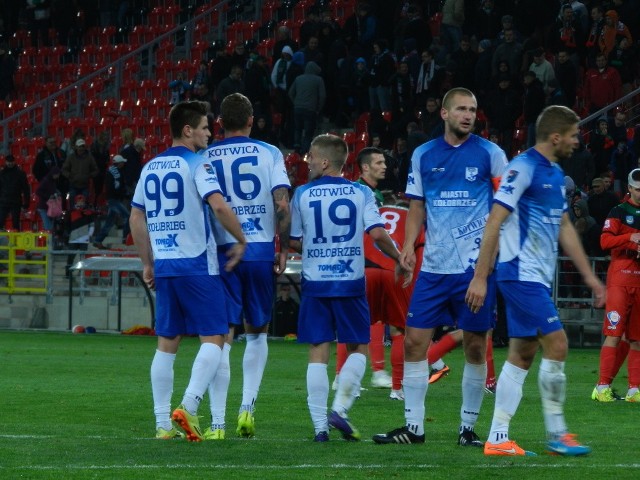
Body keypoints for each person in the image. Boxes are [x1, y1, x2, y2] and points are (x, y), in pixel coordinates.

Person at [465, 105, 606, 456]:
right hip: (518, 272)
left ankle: (497, 438)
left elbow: (563, 227)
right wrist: (481, 278)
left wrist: (590, 277)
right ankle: (558, 433)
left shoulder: (556, 174)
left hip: (537, 277)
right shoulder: (521, 167)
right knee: (557, 344)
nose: (577, 141)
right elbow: (494, 221)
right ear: (556, 137)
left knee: (522, 355)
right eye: (573, 135)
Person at [373, 87, 508, 447]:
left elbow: (502, 213)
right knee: (415, 341)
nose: (468, 115)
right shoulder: (423, 154)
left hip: (472, 268)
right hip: (433, 268)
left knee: (476, 348)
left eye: (473, 109)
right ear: (445, 113)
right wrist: (407, 249)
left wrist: (482, 273)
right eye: (462, 109)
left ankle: (468, 429)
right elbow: (416, 205)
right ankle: (413, 428)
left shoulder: (491, 154)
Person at [129, 100, 247, 442]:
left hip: (165, 265)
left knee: (167, 342)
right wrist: (241, 240)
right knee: (215, 336)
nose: (210, 133)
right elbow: (219, 205)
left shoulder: (150, 167)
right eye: (206, 128)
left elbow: (136, 216)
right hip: (198, 264)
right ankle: (190, 405)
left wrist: (147, 262)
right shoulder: (198, 163)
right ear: (187, 130)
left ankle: (163, 424)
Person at [290, 133, 409, 442]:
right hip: (350, 281)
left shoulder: (301, 193)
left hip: (316, 283)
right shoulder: (360, 193)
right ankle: (339, 410)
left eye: (312, 157)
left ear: (325, 160)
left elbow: (293, 239)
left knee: (318, 351)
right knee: (358, 347)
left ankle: (319, 429)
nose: (309, 162)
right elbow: (378, 234)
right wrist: (398, 257)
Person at [201, 92, 291, 440]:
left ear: (219, 123)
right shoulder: (270, 153)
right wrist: (282, 247)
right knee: (257, 333)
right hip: (259, 251)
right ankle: (247, 409)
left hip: (222, 253)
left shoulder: (205, 156)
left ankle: (218, 423)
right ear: (252, 120)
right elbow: (281, 203)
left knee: (222, 336)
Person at [334, 148, 393, 391]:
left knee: (363, 318)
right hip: (362, 262)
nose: (385, 166)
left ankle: (346, 374)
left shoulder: (371, 193)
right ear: (365, 167)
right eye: (379, 162)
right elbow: (374, 233)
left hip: (362, 262)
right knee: (368, 317)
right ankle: (370, 372)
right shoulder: (362, 192)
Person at [592, 168, 640, 403]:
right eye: (638, 189)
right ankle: (602, 387)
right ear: (629, 189)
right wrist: (630, 239)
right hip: (620, 280)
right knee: (614, 333)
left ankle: (634, 390)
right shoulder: (618, 212)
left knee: (637, 338)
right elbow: (604, 241)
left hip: (639, 282)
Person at [92, 155, 130, 249]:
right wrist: (124, 193)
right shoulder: (117, 173)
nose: (123, 164)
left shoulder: (110, 171)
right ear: (119, 163)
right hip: (114, 199)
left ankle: (98, 240)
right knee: (128, 217)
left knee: (110, 222)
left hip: (111, 199)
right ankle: (125, 238)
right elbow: (116, 187)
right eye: (122, 162)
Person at [288, 61, 326, 155]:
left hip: (297, 108)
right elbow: (323, 96)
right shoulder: (319, 80)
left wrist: (296, 102)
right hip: (310, 109)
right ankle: (304, 151)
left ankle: (297, 147)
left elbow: (290, 93)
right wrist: (318, 108)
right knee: (308, 132)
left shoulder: (298, 78)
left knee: (298, 129)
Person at [61, 139, 98, 209]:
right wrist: (69, 176)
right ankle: (72, 217)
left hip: (85, 185)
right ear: (76, 147)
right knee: (72, 203)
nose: (81, 148)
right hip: (73, 185)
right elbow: (64, 169)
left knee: (84, 204)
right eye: (80, 146)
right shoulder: (71, 157)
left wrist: (89, 176)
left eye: (83, 146)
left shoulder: (90, 157)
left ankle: (84, 218)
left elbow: (96, 170)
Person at [0, 155, 30, 230]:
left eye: (11, 161)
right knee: (0, 222)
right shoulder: (1, 174)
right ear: (5, 162)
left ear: (14, 162)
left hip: (15, 202)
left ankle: (16, 240)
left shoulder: (20, 174)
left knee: (15, 223)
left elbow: (26, 189)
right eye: (8, 162)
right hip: (4, 201)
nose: (10, 163)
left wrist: (26, 203)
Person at [35, 166, 62, 231]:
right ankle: (48, 240)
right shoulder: (46, 181)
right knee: (48, 227)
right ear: (54, 174)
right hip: (44, 207)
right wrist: (48, 197)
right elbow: (38, 191)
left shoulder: (52, 181)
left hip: (50, 207)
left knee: (50, 227)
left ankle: (49, 240)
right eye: (57, 175)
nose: (58, 176)